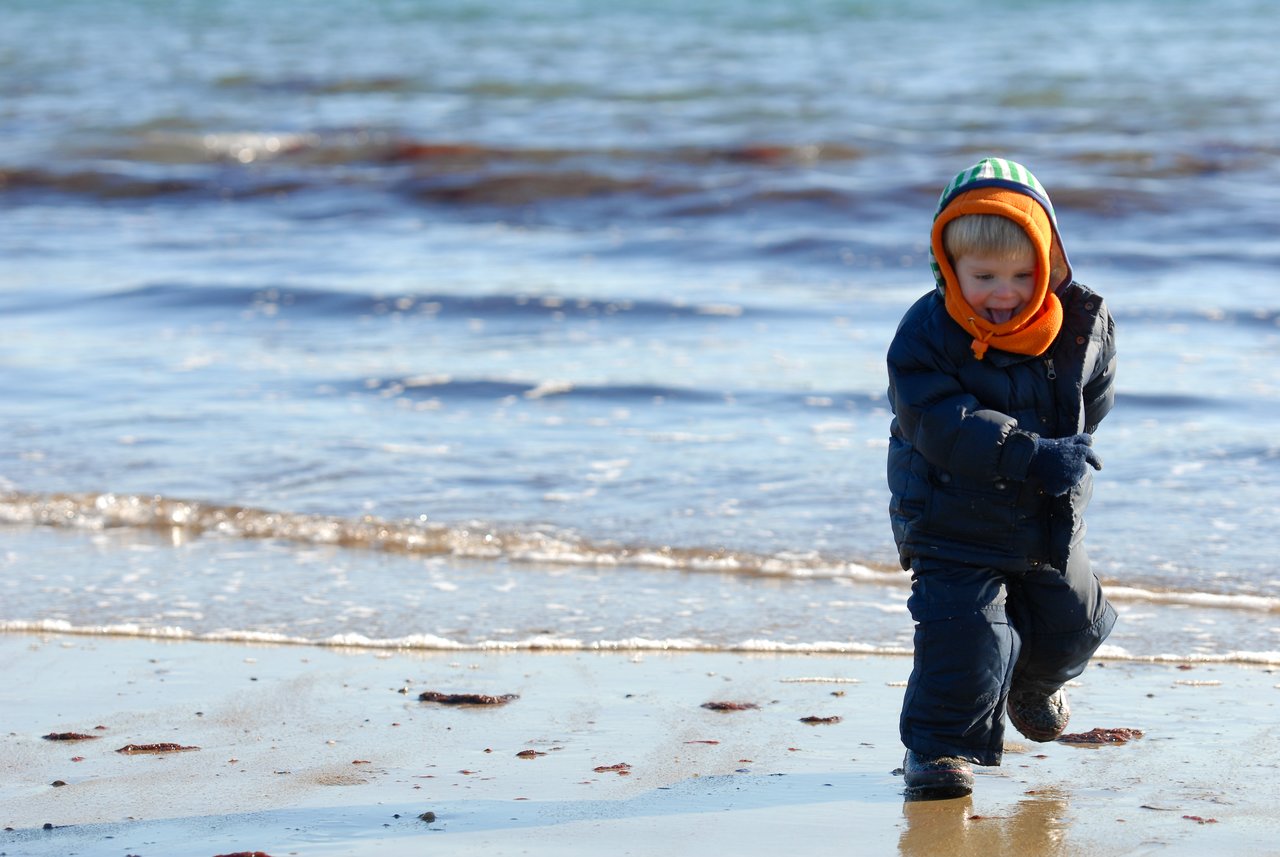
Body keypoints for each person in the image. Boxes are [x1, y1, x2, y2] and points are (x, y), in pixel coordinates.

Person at [885, 157, 1118, 799]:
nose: (1004, 291)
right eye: (983, 276)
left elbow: (1093, 390)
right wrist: (1027, 451)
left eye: (1023, 274)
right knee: (965, 635)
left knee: (1077, 621)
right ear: (948, 269)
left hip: (1046, 512)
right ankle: (938, 752)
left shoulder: (1080, 321)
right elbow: (939, 419)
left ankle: (1038, 683)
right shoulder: (925, 334)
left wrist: (1069, 449)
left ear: (1048, 264)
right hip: (949, 513)